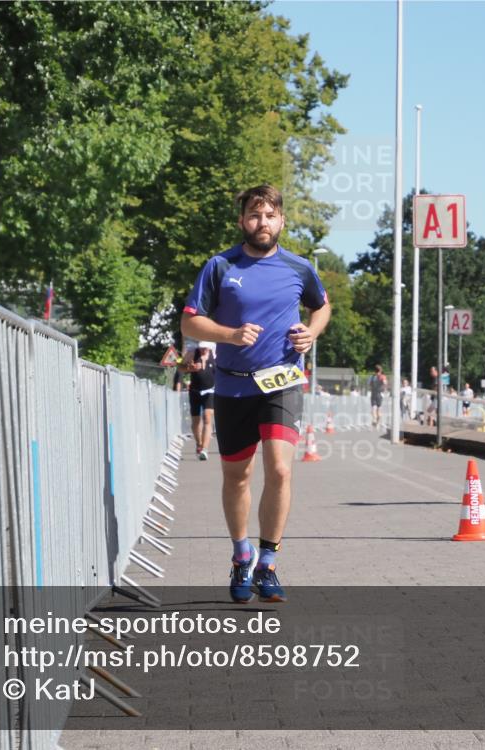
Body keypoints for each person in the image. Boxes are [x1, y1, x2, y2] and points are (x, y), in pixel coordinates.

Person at [181, 185, 330, 604]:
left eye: (269, 216)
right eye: (253, 215)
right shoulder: (219, 266)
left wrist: (312, 332)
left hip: (282, 379)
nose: (261, 222)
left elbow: (322, 306)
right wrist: (229, 334)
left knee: (280, 470)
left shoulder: (299, 268)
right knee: (238, 476)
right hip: (232, 383)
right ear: (242, 220)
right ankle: (240, 555)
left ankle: (268, 561)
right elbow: (190, 323)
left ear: (281, 221)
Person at [181, 342, 216, 460]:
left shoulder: (215, 353)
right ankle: (199, 443)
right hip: (195, 391)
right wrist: (189, 368)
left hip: (210, 391)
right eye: (201, 348)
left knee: (207, 417)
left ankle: (205, 449)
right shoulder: (192, 352)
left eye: (205, 348)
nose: (203, 350)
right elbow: (180, 367)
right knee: (196, 421)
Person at [368, 364, 387, 428]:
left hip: (374, 393)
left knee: (374, 408)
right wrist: (384, 388)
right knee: (378, 409)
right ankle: (377, 422)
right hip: (379, 393)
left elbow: (369, 385)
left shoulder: (372, 377)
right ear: (380, 370)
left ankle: (375, 420)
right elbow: (385, 383)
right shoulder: (382, 376)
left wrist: (372, 388)